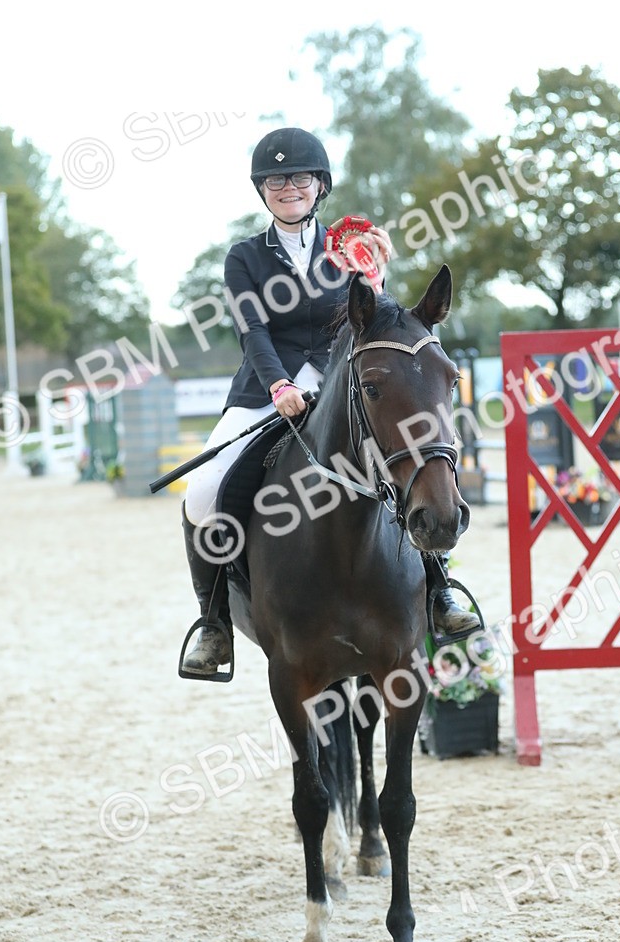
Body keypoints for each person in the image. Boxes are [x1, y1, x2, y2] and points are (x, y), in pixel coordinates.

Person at [180, 126, 479, 676]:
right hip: (267, 390)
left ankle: (439, 589)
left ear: (320, 185)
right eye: (274, 180)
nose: (287, 187)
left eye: (299, 177)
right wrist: (279, 385)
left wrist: (379, 279)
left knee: (406, 461)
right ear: (261, 190)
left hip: (342, 385)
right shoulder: (244, 257)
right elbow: (253, 331)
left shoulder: (349, 246)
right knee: (202, 492)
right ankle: (214, 622)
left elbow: (376, 323)